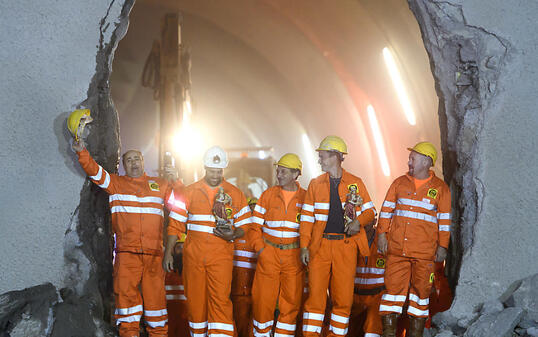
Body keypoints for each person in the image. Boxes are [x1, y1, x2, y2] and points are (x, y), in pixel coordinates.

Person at [72, 137, 177, 337]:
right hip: (127, 256)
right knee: (127, 309)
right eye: (129, 160)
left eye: (137, 158)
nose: (134, 162)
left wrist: (176, 182)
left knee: (157, 307)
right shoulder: (116, 183)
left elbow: (181, 205)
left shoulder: (161, 185)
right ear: (123, 166)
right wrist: (81, 152)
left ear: (143, 162)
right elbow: (95, 172)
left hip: (154, 256)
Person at [163, 146, 251, 337]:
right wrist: (168, 252)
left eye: (219, 171)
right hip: (193, 259)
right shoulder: (188, 192)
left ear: (224, 170)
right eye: (212, 171)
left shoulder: (235, 193)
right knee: (195, 305)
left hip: (221, 258)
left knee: (220, 302)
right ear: (204, 167)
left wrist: (233, 235)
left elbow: (245, 226)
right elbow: (175, 225)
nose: (215, 175)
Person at [300, 136, 376, 337]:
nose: (319, 160)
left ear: (335, 156)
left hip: (346, 246)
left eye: (322, 156)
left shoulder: (355, 183)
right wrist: (304, 247)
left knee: (343, 301)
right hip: (320, 246)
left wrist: (357, 222)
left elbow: (370, 212)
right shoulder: (315, 184)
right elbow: (307, 219)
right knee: (315, 299)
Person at [377, 142, 452, 337]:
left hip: (424, 254)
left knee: (420, 297)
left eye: (413, 158)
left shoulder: (440, 189)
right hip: (397, 250)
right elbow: (386, 212)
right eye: (410, 158)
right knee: (391, 295)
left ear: (427, 161)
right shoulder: (399, 183)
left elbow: (444, 222)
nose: (408, 162)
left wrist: (443, 246)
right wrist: (382, 235)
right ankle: (389, 333)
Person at [249, 153, 306, 337]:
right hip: (269, 256)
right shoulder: (267, 195)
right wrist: (261, 250)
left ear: (296, 174)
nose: (278, 175)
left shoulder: (306, 198)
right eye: (278, 171)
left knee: (290, 305)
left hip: (293, 259)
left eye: (283, 171)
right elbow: (254, 227)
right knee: (262, 304)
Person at [347, 219, 384, 337]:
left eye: (367, 219)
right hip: (353, 297)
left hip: (377, 297)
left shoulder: (384, 240)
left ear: (374, 220)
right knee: (345, 330)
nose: (364, 223)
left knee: (372, 328)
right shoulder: (349, 240)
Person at [232, 197, 258, 337]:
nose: (253, 212)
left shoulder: (264, 235)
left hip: (257, 293)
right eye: (251, 208)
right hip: (237, 291)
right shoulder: (235, 233)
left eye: (256, 209)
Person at [165, 233, 189, 337]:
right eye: (179, 247)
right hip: (168, 322)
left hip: (186, 324)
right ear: (173, 250)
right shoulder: (165, 272)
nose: (182, 251)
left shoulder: (194, 273)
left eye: (185, 248)